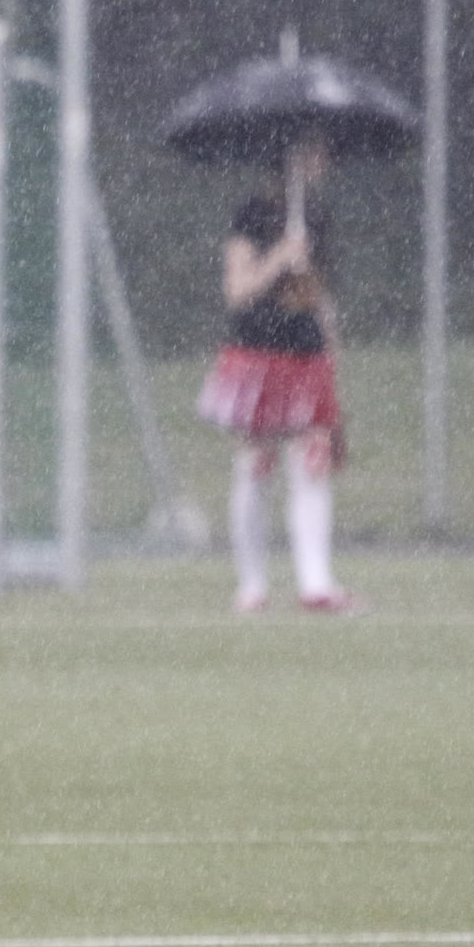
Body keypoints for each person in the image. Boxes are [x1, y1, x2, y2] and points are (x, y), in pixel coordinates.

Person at [196, 136, 356, 615]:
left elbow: (318, 299)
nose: (321, 160)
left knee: (311, 463)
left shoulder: (317, 216)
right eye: (312, 151)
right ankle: (252, 585)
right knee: (257, 464)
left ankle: (316, 583)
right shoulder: (252, 214)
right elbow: (238, 290)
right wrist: (278, 259)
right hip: (258, 353)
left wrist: (332, 359)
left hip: (305, 354)